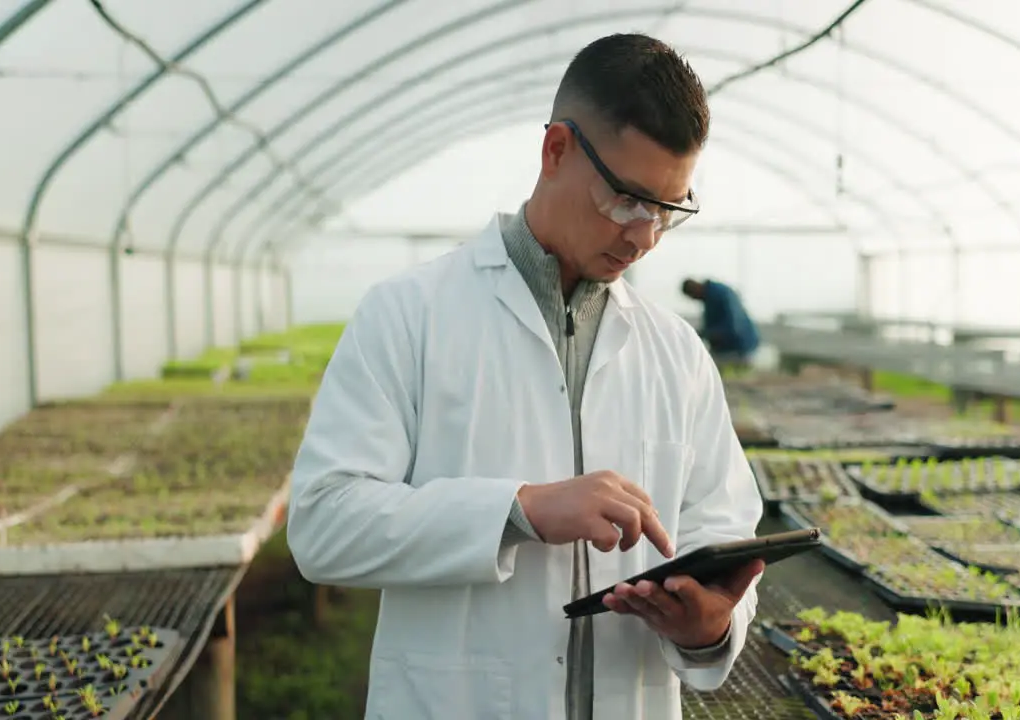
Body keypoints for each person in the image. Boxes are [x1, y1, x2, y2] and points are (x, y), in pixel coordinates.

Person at [287, 32, 765, 720]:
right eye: (628, 199)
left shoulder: (677, 355)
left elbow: (721, 531)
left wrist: (710, 628)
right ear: (556, 151)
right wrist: (519, 510)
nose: (644, 237)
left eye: (668, 209)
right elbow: (324, 525)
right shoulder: (410, 315)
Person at [681, 278, 760, 361]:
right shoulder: (710, 298)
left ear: (695, 290)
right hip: (732, 347)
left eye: (693, 296)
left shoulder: (720, 294)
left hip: (739, 348)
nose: (694, 299)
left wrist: (705, 334)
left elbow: (733, 326)